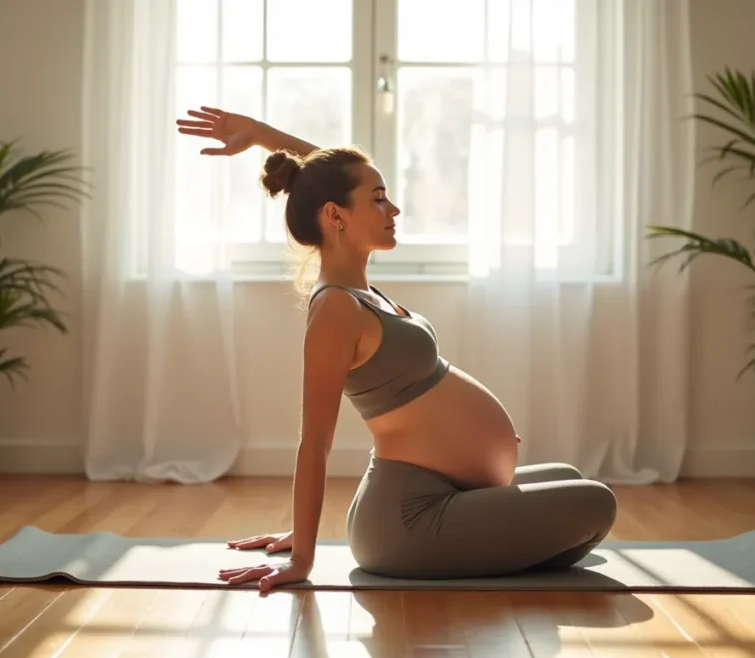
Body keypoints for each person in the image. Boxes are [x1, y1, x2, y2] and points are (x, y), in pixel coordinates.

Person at [175, 106, 618, 593]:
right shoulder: (335, 311)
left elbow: (325, 178)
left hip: (441, 493)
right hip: (411, 519)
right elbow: (315, 443)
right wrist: (302, 556)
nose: (395, 210)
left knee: (568, 476)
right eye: (380, 200)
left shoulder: (362, 292)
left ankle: (489, 542)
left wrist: (263, 135)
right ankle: (475, 549)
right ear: (335, 216)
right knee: (595, 502)